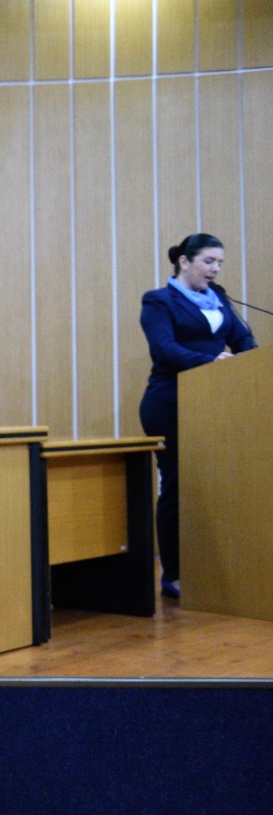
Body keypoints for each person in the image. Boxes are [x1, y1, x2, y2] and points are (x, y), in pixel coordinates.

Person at [139, 232, 256, 600]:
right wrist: (211, 361)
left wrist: (250, 361)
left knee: (217, 486)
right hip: (169, 402)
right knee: (178, 486)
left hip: (215, 406)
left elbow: (243, 340)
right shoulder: (158, 300)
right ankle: (174, 573)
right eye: (209, 261)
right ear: (184, 261)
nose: (215, 269)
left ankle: (216, 568)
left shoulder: (219, 298)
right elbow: (164, 349)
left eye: (219, 262)